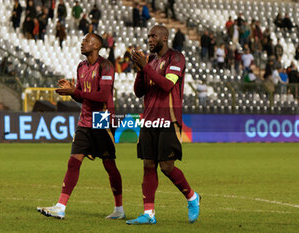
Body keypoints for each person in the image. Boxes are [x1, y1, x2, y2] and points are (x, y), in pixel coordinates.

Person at [37, 33, 125, 220]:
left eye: (86, 41)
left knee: (109, 165)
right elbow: (81, 96)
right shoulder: (81, 67)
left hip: (103, 119)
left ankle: (119, 209)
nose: (82, 43)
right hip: (85, 119)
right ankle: (60, 207)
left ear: (96, 46)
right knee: (73, 161)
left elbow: (102, 96)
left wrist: (75, 91)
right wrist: (71, 92)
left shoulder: (106, 66)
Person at [126, 25, 200, 225]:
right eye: (148, 35)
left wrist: (147, 67)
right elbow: (138, 91)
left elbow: (167, 85)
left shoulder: (177, 58)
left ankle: (192, 197)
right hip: (149, 120)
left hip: (168, 120)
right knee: (148, 165)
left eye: (153, 36)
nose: (149, 39)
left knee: (167, 166)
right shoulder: (150, 60)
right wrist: (142, 69)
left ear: (165, 37)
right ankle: (149, 214)